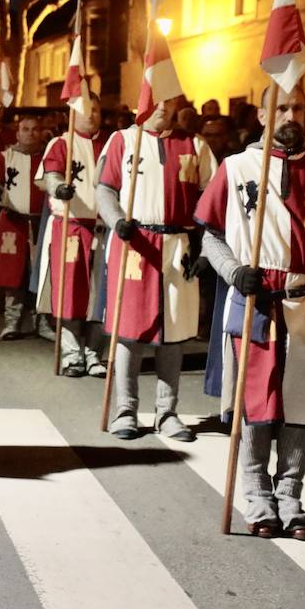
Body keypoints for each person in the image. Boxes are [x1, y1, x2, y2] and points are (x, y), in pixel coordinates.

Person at [196, 85, 305, 539]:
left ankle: (290, 495)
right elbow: (211, 234)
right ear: (262, 114)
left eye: (298, 107)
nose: (290, 115)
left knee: (303, 403)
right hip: (255, 300)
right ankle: (257, 495)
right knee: (256, 401)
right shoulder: (236, 167)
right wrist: (234, 272)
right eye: (281, 107)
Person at [97, 94, 216, 441]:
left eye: (169, 101)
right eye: (156, 99)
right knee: (130, 330)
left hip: (179, 245)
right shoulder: (122, 140)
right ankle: (126, 409)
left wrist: (206, 249)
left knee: (174, 331)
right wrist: (117, 220)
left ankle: (167, 411)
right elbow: (105, 190)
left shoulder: (195, 145)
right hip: (135, 244)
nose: (163, 107)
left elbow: (212, 200)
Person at [36, 93, 110, 374]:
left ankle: (94, 353)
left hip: (103, 230)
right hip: (71, 227)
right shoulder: (61, 143)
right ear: (72, 114)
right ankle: (71, 354)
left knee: (100, 294)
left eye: (96, 110)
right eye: (84, 110)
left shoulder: (112, 144)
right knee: (70, 292)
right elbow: (51, 175)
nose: (90, 115)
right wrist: (59, 188)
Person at [0, 116, 48, 340]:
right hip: (13, 222)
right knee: (12, 273)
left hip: (41, 223)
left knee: (41, 273)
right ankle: (12, 322)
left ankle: (42, 322)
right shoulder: (6, 157)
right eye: (26, 129)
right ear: (17, 133)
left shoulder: (49, 157)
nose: (31, 133)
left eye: (35, 129)